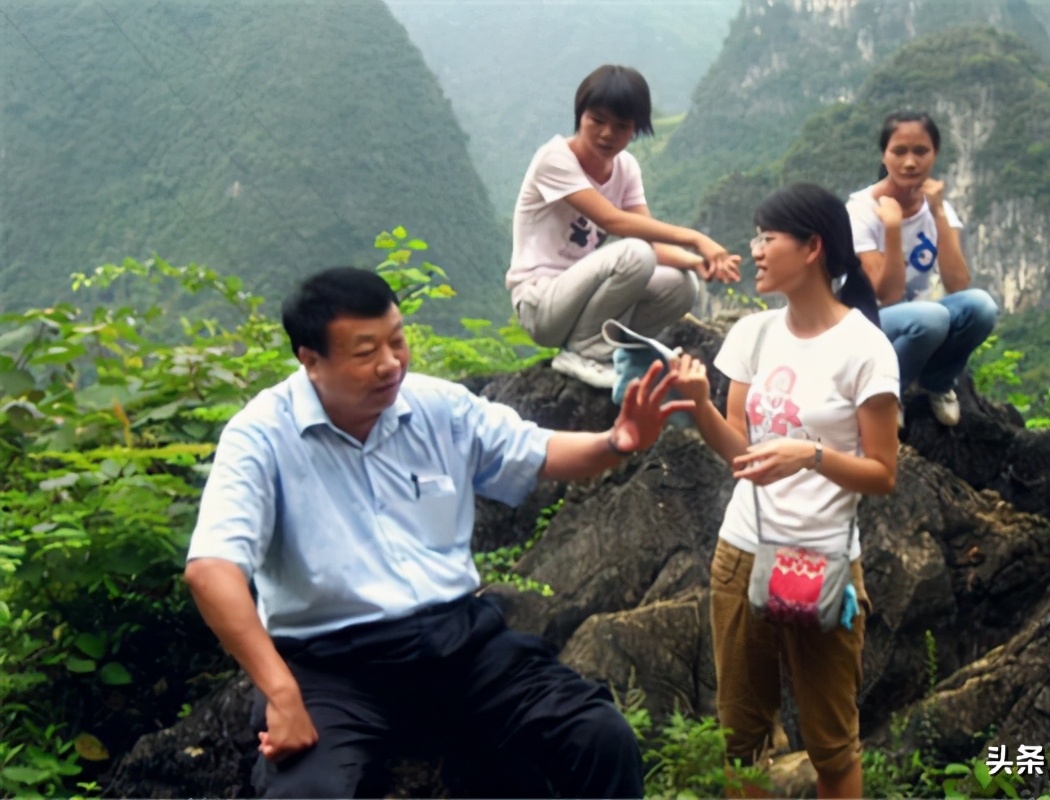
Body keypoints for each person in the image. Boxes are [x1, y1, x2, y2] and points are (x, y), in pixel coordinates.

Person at [184, 266, 693, 799]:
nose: (390, 364)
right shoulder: (261, 435)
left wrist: (616, 441)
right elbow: (210, 570)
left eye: (397, 341)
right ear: (310, 360)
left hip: (461, 644)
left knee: (597, 734)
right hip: (333, 663)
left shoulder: (437, 407)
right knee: (304, 792)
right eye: (365, 353)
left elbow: (535, 450)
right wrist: (281, 690)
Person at [673, 184, 899, 799]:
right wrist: (699, 407)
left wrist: (814, 455)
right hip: (744, 550)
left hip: (823, 560)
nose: (756, 251)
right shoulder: (753, 334)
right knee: (741, 738)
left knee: (831, 744)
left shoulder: (865, 349)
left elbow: (883, 472)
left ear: (813, 248)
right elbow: (741, 455)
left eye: (767, 238)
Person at [506, 64, 741, 390]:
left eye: (621, 126)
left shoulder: (625, 168)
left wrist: (697, 262)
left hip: (583, 301)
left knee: (682, 285)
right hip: (541, 303)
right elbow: (614, 222)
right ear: (580, 115)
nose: (606, 134)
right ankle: (585, 352)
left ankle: (612, 348)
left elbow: (652, 241)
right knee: (635, 253)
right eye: (597, 121)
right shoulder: (555, 158)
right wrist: (697, 239)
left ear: (636, 129)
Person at [845, 110, 999, 426]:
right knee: (932, 317)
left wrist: (939, 212)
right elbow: (886, 296)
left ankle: (937, 383)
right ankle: (886, 396)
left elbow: (958, 283)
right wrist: (891, 227)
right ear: (884, 155)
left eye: (921, 151)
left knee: (982, 307)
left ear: (935, 155)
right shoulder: (861, 211)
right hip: (863, 322)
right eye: (899, 151)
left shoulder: (938, 208)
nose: (910, 162)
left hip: (915, 318)